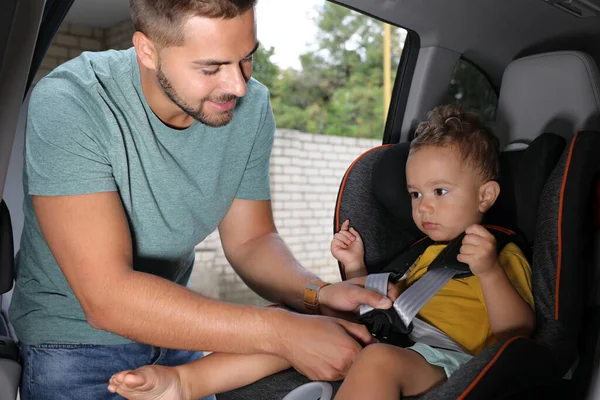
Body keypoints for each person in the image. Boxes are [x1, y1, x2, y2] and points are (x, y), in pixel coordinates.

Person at [9, 1, 397, 399]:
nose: (238, 86)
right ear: (147, 50)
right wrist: (281, 332)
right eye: (211, 68)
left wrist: (316, 294)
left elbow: (251, 242)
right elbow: (107, 297)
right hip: (73, 346)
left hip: (178, 338)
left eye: (247, 58)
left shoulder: (249, 106)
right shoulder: (71, 102)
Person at [105, 104, 536, 399]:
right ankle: (183, 383)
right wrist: (356, 269)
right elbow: (384, 308)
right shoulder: (422, 252)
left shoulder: (497, 254)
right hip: (393, 338)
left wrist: (489, 272)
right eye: (415, 193)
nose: (423, 206)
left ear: (486, 195)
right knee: (289, 327)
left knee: (380, 363)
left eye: (440, 192)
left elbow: (517, 332)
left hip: (448, 360)